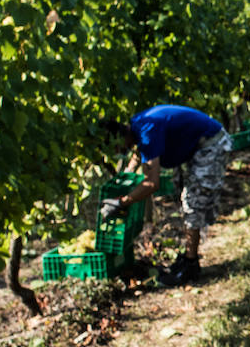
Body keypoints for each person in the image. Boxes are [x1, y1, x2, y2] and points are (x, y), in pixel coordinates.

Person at [99, 104, 232, 286]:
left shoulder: (146, 130)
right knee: (187, 196)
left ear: (119, 137)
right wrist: (127, 175)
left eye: (115, 147)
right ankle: (188, 257)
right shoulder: (138, 126)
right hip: (197, 147)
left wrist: (122, 202)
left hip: (211, 144)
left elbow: (152, 183)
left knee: (192, 201)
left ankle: (190, 265)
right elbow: (140, 153)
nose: (116, 153)